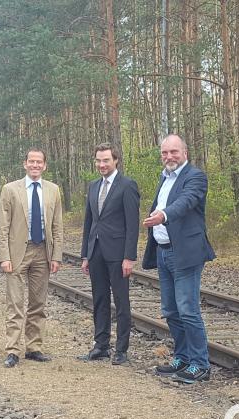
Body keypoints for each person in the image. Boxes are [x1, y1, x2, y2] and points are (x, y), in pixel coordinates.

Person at [141, 134, 216, 384]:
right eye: (165, 153)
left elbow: (186, 203)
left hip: (186, 253)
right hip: (163, 251)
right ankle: (182, 358)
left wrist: (163, 215)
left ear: (185, 152)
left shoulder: (195, 177)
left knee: (188, 309)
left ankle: (200, 364)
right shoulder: (164, 177)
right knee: (170, 310)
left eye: (174, 152)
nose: (169, 157)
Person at [0, 148, 63, 368]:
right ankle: (13, 350)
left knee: (38, 303)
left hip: (42, 251)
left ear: (44, 166)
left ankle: (34, 347)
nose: (35, 165)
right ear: (25, 164)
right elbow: (3, 226)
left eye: (39, 162)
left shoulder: (53, 190)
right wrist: (4, 257)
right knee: (15, 303)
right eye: (31, 162)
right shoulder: (10, 189)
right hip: (18, 253)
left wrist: (56, 256)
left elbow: (57, 226)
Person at [80, 143, 140, 365]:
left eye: (106, 160)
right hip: (96, 251)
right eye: (98, 160)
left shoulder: (127, 186)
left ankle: (121, 349)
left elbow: (132, 224)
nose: (102, 164)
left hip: (118, 253)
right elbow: (89, 221)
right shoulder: (93, 186)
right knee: (100, 299)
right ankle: (101, 345)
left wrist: (129, 257)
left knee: (121, 301)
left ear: (115, 160)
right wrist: (85, 254)